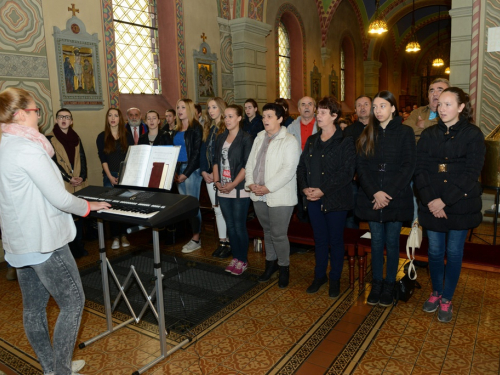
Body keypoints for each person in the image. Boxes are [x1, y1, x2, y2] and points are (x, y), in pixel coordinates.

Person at [0, 87, 110, 375]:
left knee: (33, 309)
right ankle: (61, 371)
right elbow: (60, 197)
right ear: (22, 114)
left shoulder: (5, 143)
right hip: (43, 241)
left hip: (19, 243)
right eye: (37, 110)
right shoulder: (27, 148)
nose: (40, 115)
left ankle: (51, 368)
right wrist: (89, 206)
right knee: (73, 302)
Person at [415, 87, 485, 323]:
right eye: (439, 104)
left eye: (447, 104)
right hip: (432, 202)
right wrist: (431, 200)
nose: (441, 108)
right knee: (434, 251)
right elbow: (421, 169)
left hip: (460, 204)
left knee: (454, 252)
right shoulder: (429, 134)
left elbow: (472, 172)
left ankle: (447, 298)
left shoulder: (473, 134)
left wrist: (445, 201)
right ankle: (436, 292)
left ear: (461, 107)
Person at [355, 90, 416, 307]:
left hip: (395, 197)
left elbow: (408, 166)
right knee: (376, 241)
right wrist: (375, 193)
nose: (378, 111)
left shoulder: (405, 132)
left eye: (382, 106)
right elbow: (361, 166)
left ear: (392, 108)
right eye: (375, 107)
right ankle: (377, 283)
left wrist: (387, 193)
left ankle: (389, 283)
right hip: (372, 198)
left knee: (392, 243)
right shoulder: (367, 132)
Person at [297, 97, 355, 298]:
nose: (318, 116)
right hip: (313, 199)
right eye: (318, 112)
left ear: (334, 116)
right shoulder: (312, 141)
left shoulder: (345, 141)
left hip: (336, 200)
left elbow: (346, 173)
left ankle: (335, 279)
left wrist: (322, 190)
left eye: (322, 112)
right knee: (320, 240)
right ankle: (319, 275)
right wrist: (305, 189)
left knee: (336, 241)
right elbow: (302, 167)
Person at [245, 103, 301, 288]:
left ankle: (284, 267)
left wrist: (267, 187)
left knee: (278, 234)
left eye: (270, 116)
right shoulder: (260, 137)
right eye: (264, 116)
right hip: (258, 193)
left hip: (279, 195)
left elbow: (288, 170)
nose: (265, 120)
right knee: (267, 232)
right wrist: (250, 183)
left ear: (280, 118)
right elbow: (251, 163)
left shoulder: (290, 140)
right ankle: (271, 265)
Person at [213, 105, 253, 275]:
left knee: (239, 225)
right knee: (229, 225)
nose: (227, 120)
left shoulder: (246, 138)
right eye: (225, 117)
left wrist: (233, 184)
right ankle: (235, 258)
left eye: (230, 116)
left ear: (239, 118)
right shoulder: (220, 138)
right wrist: (216, 181)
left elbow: (246, 165)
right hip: (222, 187)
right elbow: (215, 161)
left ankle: (243, 260)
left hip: (239, 189)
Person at [46, 108, 89, 258]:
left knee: (79, 216)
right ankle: (69, 249)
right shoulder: (49, 139)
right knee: (66, 217)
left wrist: (82, 176)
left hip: (78, 182)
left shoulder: (76, 137)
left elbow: (82, 158)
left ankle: (79, 245)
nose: (64, 119)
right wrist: (67, 178)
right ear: (56, 120)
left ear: (71, 121)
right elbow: (52, 163)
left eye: (67, 117)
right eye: (61, 117)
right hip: (63, 183)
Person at [168, 99, 203, 253]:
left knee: (192, 205)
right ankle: (193, 235)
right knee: (185, 206)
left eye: (183, 107)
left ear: (189, 109)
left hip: (191, 170)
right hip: (178, 169)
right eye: (178, 107)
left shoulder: (196, 128)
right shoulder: (176, 129)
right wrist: (175, 172)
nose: (180, 110)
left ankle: (196, 238)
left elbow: (196, 154)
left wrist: (185, 174)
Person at [96, 108, 134, 249]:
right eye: (110, 115)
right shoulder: (102, 137)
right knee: (111, 206)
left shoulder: (127, 135)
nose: (113, 118)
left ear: (120, 118)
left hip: (125, 175)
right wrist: (110, 176)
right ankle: (115, 237)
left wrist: (125, 176)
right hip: (109, 175)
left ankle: (124, 235)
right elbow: (103, 159)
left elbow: (130, 157)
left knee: (123, 206)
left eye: (116, 115)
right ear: (107, 119)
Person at [200, 97, 230, 257]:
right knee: (217, 210)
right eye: (209, 107)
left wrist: (215, 173)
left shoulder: (226, 128)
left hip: (222, 176)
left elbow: (224, 156)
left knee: (226, 210)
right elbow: (202, 152)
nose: (211, 110)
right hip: (209, 176)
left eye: (214, 107)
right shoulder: (208, 128)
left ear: (221, 108)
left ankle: (230, 243)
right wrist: (204, 171)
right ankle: (222, 241)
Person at [343, 95, 372, 229]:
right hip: (354, 180)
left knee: (374, 216)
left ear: (372, 107)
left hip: (375, 179)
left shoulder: (380, 128)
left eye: (366, 104)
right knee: (352, 216)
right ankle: (352, 248)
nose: (362, 107)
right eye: (359, 105)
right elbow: (346, 156)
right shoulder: (349, 131)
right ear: (355, 109)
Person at [287, 96, 318, 222]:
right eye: (303, 104)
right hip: (297, 172)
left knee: (315, 209)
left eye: (310, 104)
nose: (306, 107)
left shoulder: (321, 127)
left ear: (314, 108)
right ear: (299, 109)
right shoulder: (290, 128)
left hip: (316, 172)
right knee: (301, 209)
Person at [404, 78, 450, 143]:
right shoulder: (418, 111)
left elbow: (448, 131)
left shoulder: (451, 113)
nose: (435, 94)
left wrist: (424, 124)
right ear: (428, 95)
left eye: (440, 90)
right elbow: (405, 129)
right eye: (432, 91)